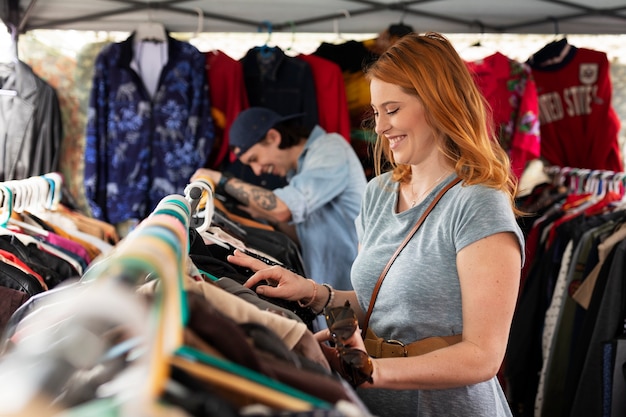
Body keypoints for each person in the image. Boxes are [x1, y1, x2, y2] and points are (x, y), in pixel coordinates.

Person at [227, 32, 525, 417]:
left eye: (393, 109)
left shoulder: (477, 203)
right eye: (376, 112)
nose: (380, 126)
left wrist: (372, 370)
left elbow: (483, 357)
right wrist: (314, 294)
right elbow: (380, 307)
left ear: (438, 103)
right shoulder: (379, 192)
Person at [190, 107, 367, 292]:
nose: (257, 170)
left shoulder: (330, 148)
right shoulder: (298, 174)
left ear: (273, 137)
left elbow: (283, 209)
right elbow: (301, 236)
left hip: (352, 290)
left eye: (254, 159)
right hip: (328, 288)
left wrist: (221, 179)